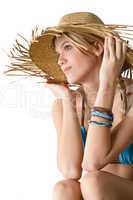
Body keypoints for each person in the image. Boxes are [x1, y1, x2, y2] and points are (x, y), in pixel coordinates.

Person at [4, 12, 133, 199]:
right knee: (63, 188)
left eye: (67, 47)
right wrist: (67, 101)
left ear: (97, 48)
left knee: (93, 182)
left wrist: (107, 84)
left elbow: (92, 164)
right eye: (58, 53)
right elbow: (71, 170)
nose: (60, 60)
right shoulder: (62, 105)